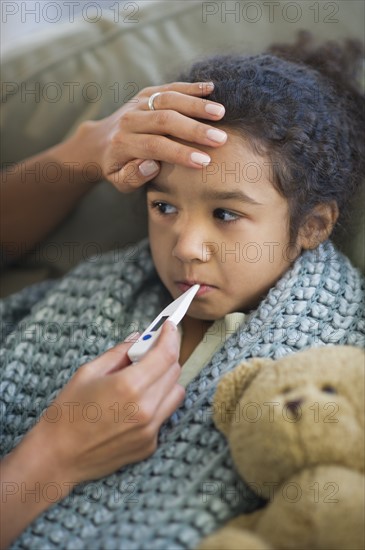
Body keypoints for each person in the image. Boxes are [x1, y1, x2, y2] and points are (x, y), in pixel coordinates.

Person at [1, 33, 364, 549]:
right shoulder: (90, 297)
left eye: (226, 214)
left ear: (313, 226)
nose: (187, 247)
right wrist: (52, 456)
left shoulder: (338, 369)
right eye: (164, 207)